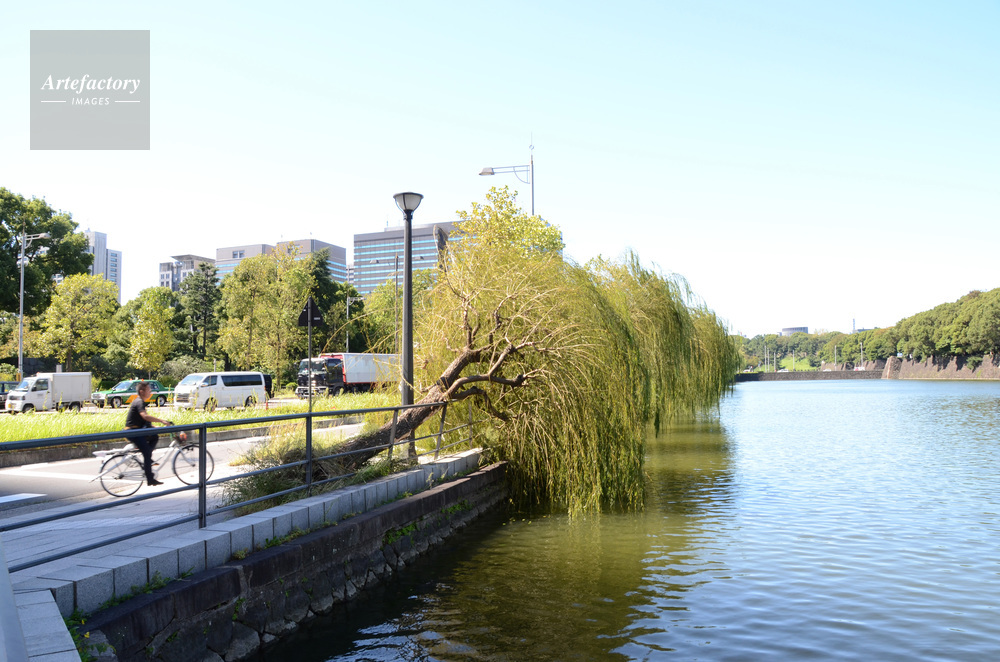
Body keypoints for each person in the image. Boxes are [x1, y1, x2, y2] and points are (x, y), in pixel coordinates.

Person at [124, 381, 173, 486]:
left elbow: (143, 422)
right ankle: (150, 479)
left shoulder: (139, 402)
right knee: (146, 452)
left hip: (136, 431)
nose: (150, 392)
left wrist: (154, 427)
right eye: (148, 390)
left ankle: (148, 459)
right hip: (132, 432)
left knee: (154, 437)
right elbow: (145, 416)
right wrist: (161, 421)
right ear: (142, 392)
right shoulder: (139, 402)